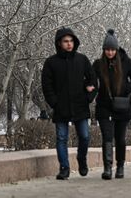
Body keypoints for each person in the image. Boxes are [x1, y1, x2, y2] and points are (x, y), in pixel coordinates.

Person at [41, 27, 97, 180]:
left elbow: (93, 81)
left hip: (81, 106)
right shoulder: (51, 62)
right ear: (59, 43)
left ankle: (81, 159)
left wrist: (88, 97)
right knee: (61, 138)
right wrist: (55, 103)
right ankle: (64, 168)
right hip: (61, 108)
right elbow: (47, 86)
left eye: (71, 41)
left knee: (84, 137)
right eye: (65, 41)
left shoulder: (82, 60)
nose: (69, 44)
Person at [93, 29, 131, 180]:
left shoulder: (126, 62)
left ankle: (120, 166)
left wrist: (125, 88)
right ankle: (107, 167)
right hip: (104, 107)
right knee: (107, 137)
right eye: (107, 49)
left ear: (116, 49)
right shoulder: (98, 64)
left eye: (112, 49)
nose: (110, 52)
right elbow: (91, 80)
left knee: (120, 138)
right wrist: (90, 87)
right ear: (103, 50)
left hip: (122, 107)